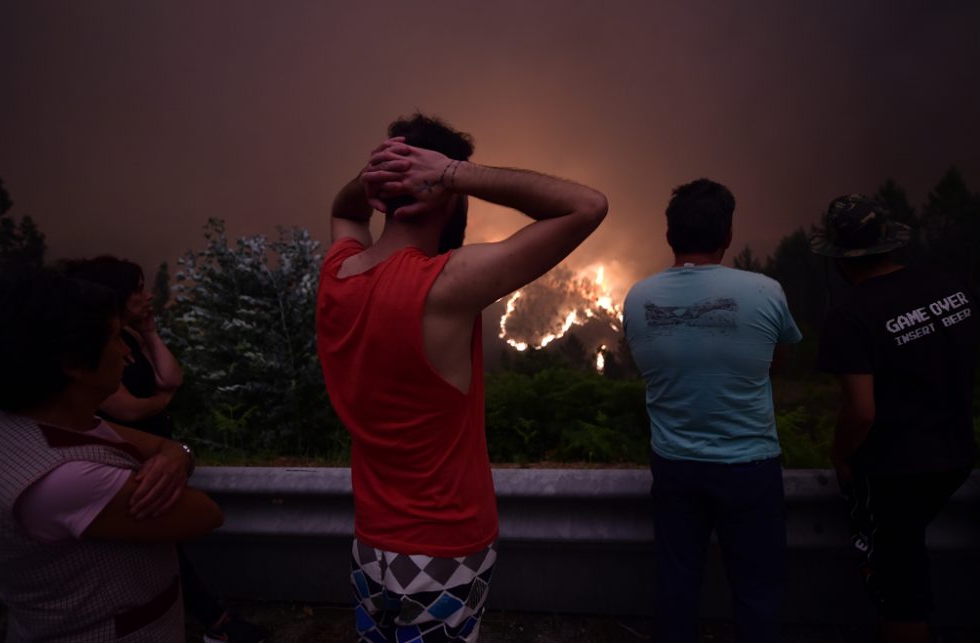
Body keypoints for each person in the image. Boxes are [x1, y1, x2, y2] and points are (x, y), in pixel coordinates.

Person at [316, 113, 608, 642]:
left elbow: (344, 210)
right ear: (441, 191)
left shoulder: (338, 274)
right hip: (443, 547)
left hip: (370, 545)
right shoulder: (445, 286)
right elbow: (587, 205)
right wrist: (452, 173)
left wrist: (377, 176)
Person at [0, 269, 223, 642]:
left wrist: (177, 453)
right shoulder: (65, 481)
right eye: (114, 338)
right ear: (74, 363)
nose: (126, 352)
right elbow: (205, 513)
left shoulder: (11, 427)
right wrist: (176, 455)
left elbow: (163, 448)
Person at [622, 178, 802, 643]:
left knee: (677, 587)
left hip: (676, 467)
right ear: (727, 236)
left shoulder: (638, 298)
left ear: (669, 236)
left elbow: (643, 363)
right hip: (750, 466)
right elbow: (776, 362)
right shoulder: (766, 291)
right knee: (758, 593)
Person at [63, 256, 268, 643]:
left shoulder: (132, 339)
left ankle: (210, 619)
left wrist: (150, 332)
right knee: (163, 541)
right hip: (125, 456)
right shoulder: (95, 351)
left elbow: (172, 377)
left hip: (157, 451)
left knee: (165, 547)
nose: (148, 295)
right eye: (138, 289)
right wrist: (161, 402)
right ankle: (216, 621)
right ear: (117, 296)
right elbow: (125, 407)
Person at [811, 194, 978, 643]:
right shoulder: (951, 289)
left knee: (899, 593)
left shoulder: (851, 315)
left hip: (898, 471)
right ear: (891, 245)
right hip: (959, 454)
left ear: (841, 260)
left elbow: (862, 411)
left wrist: (841, 456)